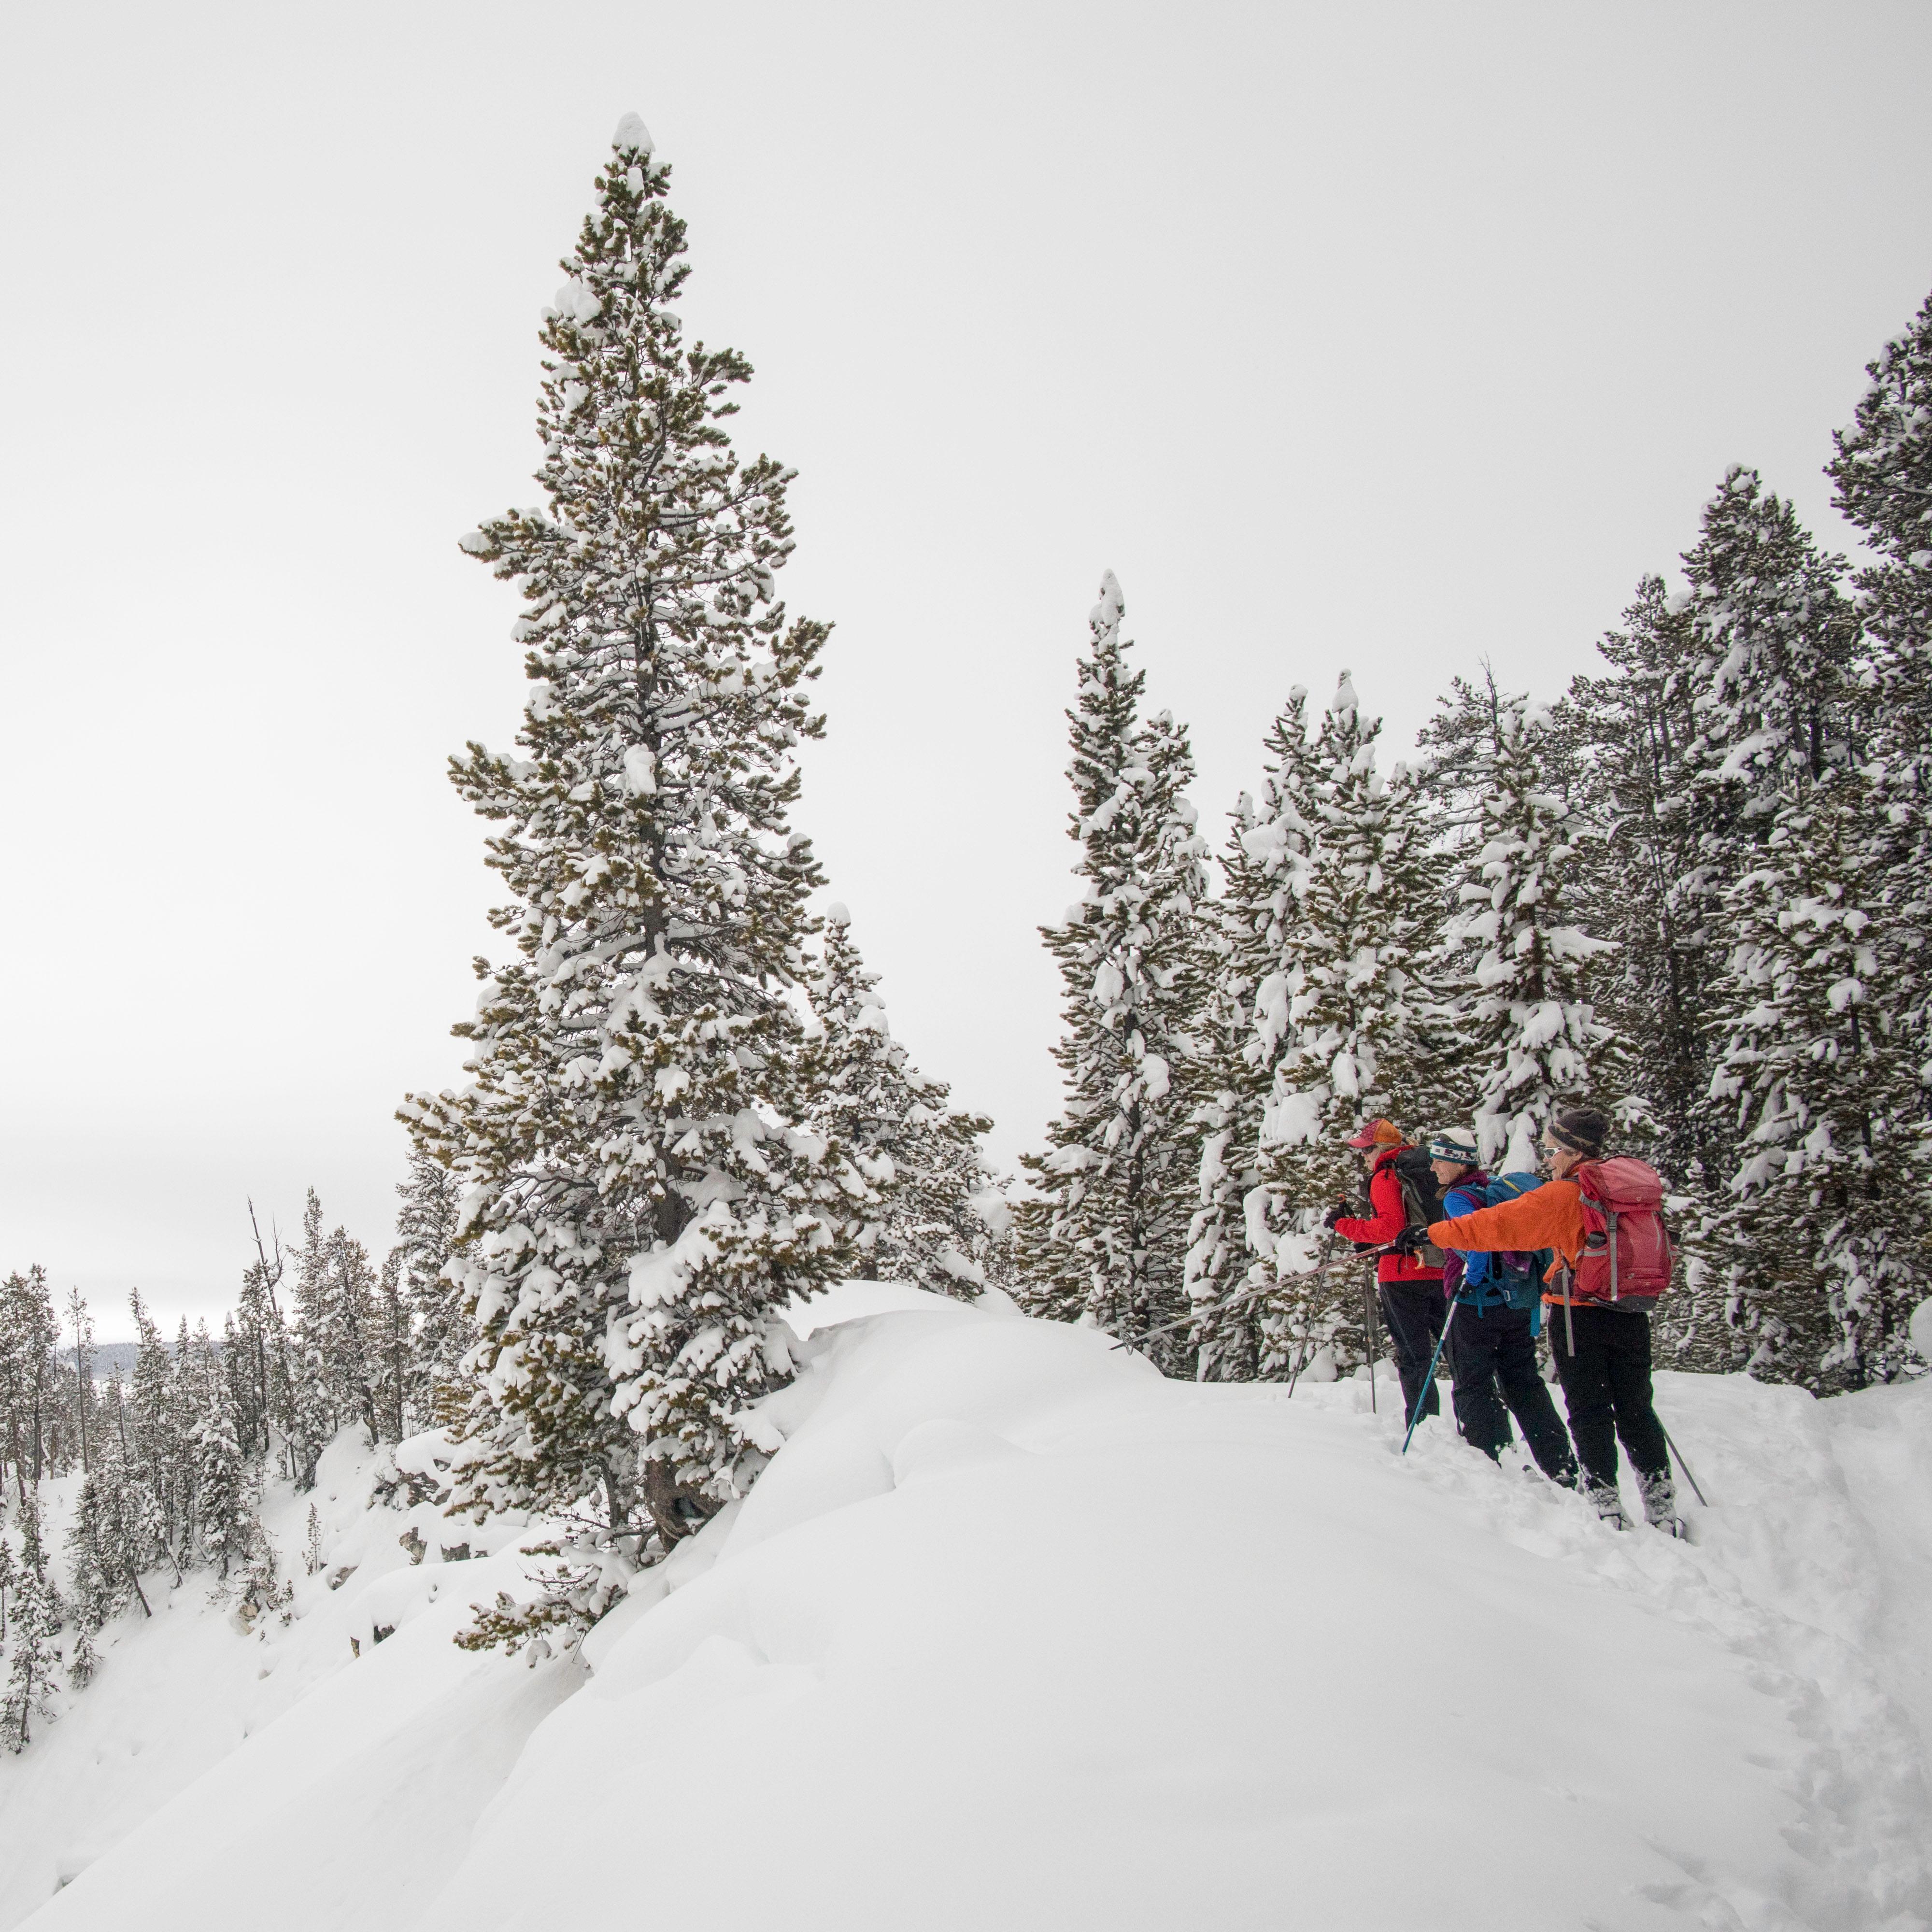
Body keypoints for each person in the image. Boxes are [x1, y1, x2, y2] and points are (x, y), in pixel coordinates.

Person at [1412, 1105, 1681, 1533]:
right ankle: (1661, 1501)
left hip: (1580, 1316)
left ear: (1574, 1151)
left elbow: (1497, 1227)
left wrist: (1433, 1234)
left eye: (1554, 1149)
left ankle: (1605, 1501)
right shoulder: (1625, 1189)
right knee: (1636, 1406)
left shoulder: (1567, 1195)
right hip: (1632, 1310)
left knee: (1589, 1408)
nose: (1550, 1159)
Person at [1423, 1129, 1577, 1487]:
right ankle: (1560, 1465)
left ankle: (1489, 1463)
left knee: (1472, 1383)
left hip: (1475, 1306)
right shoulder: (1495, 1190)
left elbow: (1475, 1243)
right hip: (1518, 1306)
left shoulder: (1458, 1198)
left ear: (1457, 1162)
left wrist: (1470, 1280)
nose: (1433, 1167)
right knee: (1524, 1383)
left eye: (1439, 1160)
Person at [1326, 1118, 1446, 1426]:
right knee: (1456, 1348)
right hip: (1442, 1267)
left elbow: (1391, 1229)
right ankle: (1474, 1422)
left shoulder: (1386, 1176)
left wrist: (1345, 1226)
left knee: (1413, 1354)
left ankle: (1423, 1424)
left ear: (1378, 1150)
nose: (1364, 1158)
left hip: (1402, 1272)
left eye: (1365, 1151)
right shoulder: (1428, 1170)